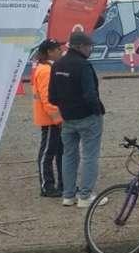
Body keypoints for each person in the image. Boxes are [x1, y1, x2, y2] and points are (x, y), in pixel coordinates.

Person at [48, 31, 108, 208]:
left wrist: (65, 106)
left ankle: (68, 195)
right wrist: (98, 110)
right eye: (89, 46)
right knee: (90, 156)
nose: (90, 49)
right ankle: (85, 196)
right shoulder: (83, 66)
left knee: (69, 156)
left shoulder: (57, 65)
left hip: (67, 118)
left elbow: (52, 97)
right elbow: (90, 94)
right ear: (80, 46)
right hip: (88, 117)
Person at [31, 39, 64, 197]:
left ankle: (58, 183)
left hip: (51, 117)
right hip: (50, 119)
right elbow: (47, 98)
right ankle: (47, 186)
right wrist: (57, 118)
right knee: (47, 152)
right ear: (50, 52)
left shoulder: (46, 68)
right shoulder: (45, 71)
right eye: (58, 49)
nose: (61, 51)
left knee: (56, 150)